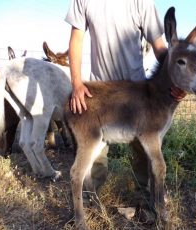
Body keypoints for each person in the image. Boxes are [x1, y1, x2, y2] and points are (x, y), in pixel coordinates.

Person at [65, 0, 186, 197]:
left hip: (136, 93)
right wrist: (77, 83)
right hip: (100, 94)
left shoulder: (142, 2)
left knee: (144, 150)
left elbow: (159, 47)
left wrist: (178, 80)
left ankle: (145, 197)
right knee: (95, 153)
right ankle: (89, 197)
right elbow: (76, 40)